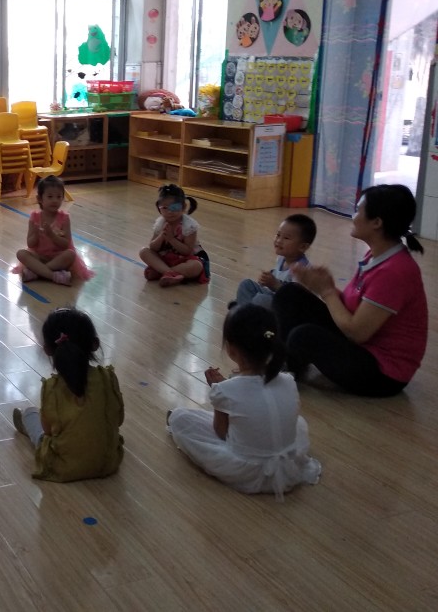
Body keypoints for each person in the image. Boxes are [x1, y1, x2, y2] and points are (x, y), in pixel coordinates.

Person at [272, 184, 428, 397]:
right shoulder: (375, 255)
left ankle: (283, 371)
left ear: (377, 222)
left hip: (383, 373)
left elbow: (357, 333)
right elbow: (350, 308)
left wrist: (327, 291)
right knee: (290, 294)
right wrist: (318, 284)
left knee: (303, 336)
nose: (353, 217)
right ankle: (285, 364)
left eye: (358, 211)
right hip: (361, 343)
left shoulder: (396, 271)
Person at [167, 304, 322, 501]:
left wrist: (218, 392)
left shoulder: (225, 390)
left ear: (231, 350)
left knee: (180, 418)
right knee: (296, 423)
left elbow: (221, 433)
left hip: (248, 471)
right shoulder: (288, 380)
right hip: (288, 463)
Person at [12, 307, 124, 482]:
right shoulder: (107, 377)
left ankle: (27, 417)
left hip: (62, 467)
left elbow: (48, 431)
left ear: (47, 349)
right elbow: (119, 419)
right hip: (108, 462)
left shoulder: (51, 387)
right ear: (94, 344)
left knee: (32, 417)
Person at [13, 175, 93, 286]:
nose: (55, 200)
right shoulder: (35, 217)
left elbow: (66, 244)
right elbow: (30, 244)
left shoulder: (64, 218)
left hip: (58, 257)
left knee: (70, 254)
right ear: (40, 199)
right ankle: (53, 276)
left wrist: (51, 235)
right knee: (21, 253)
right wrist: (36, 234)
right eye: (50, 197)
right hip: (39, 256)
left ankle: (36, 272)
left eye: (59, 197)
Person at [235, 214, 317, 309]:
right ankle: (244, 311)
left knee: (260, 299)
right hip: (275, 298)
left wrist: (275, 284)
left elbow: (295, 300)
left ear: (302, 246)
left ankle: (246, 309)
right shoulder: (281, 258)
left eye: (286, 238)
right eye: (278, 235)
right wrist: (267, 278)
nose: (278, 240)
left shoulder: (302, 271)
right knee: (246, 284)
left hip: (290, 310)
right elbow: (278, 276)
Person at [139, 183, 210, 288]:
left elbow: (187, 251)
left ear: (183, 207)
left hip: (185, 260)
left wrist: (171, 239)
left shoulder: (189, 225)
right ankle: (169, 273)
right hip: (165, 259)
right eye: (165, 208)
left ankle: (162, 272)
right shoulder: (160, 223)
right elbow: (153, 247)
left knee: (196, 266)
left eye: (175, 207)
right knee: (143, 251)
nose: (170, 212)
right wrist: (162, 236)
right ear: (159, 208)